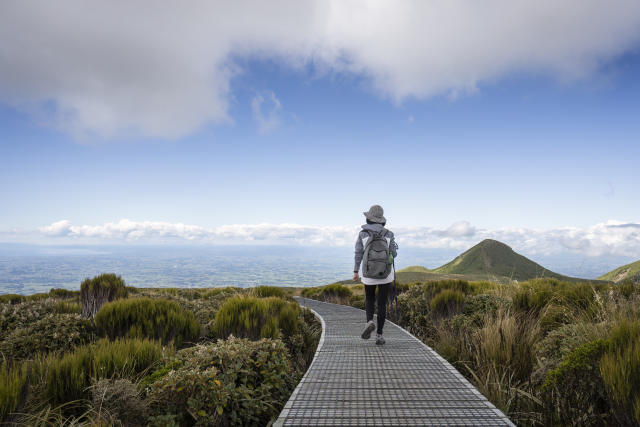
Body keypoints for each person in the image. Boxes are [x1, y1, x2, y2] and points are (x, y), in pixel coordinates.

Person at [353, 205, 398, 345]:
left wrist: (356, 271)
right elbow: (394, 254)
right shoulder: (389, 234)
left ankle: (369, 322)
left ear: (369, 218)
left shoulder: (363, 234)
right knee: (382, 303)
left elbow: (358, 253)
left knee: (370, 299)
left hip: (368, 273)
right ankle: (379, 335)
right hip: (385, 274)